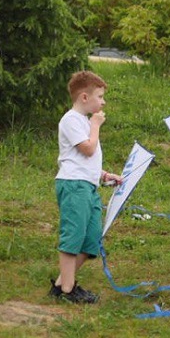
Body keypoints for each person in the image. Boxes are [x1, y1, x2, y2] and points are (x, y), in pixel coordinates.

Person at [50, 71, 121, 304]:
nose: (103, 102)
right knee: (73, 235)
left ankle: (61, 283)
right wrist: (96, 125)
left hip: (88, 186)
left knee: (90, 240)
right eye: (99, 97)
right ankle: (68, 290)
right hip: (73, 185)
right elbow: (88, 149)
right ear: (83, 97)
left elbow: (85, 160)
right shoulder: (71, 120)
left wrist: (103, 176)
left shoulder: (83, 122)